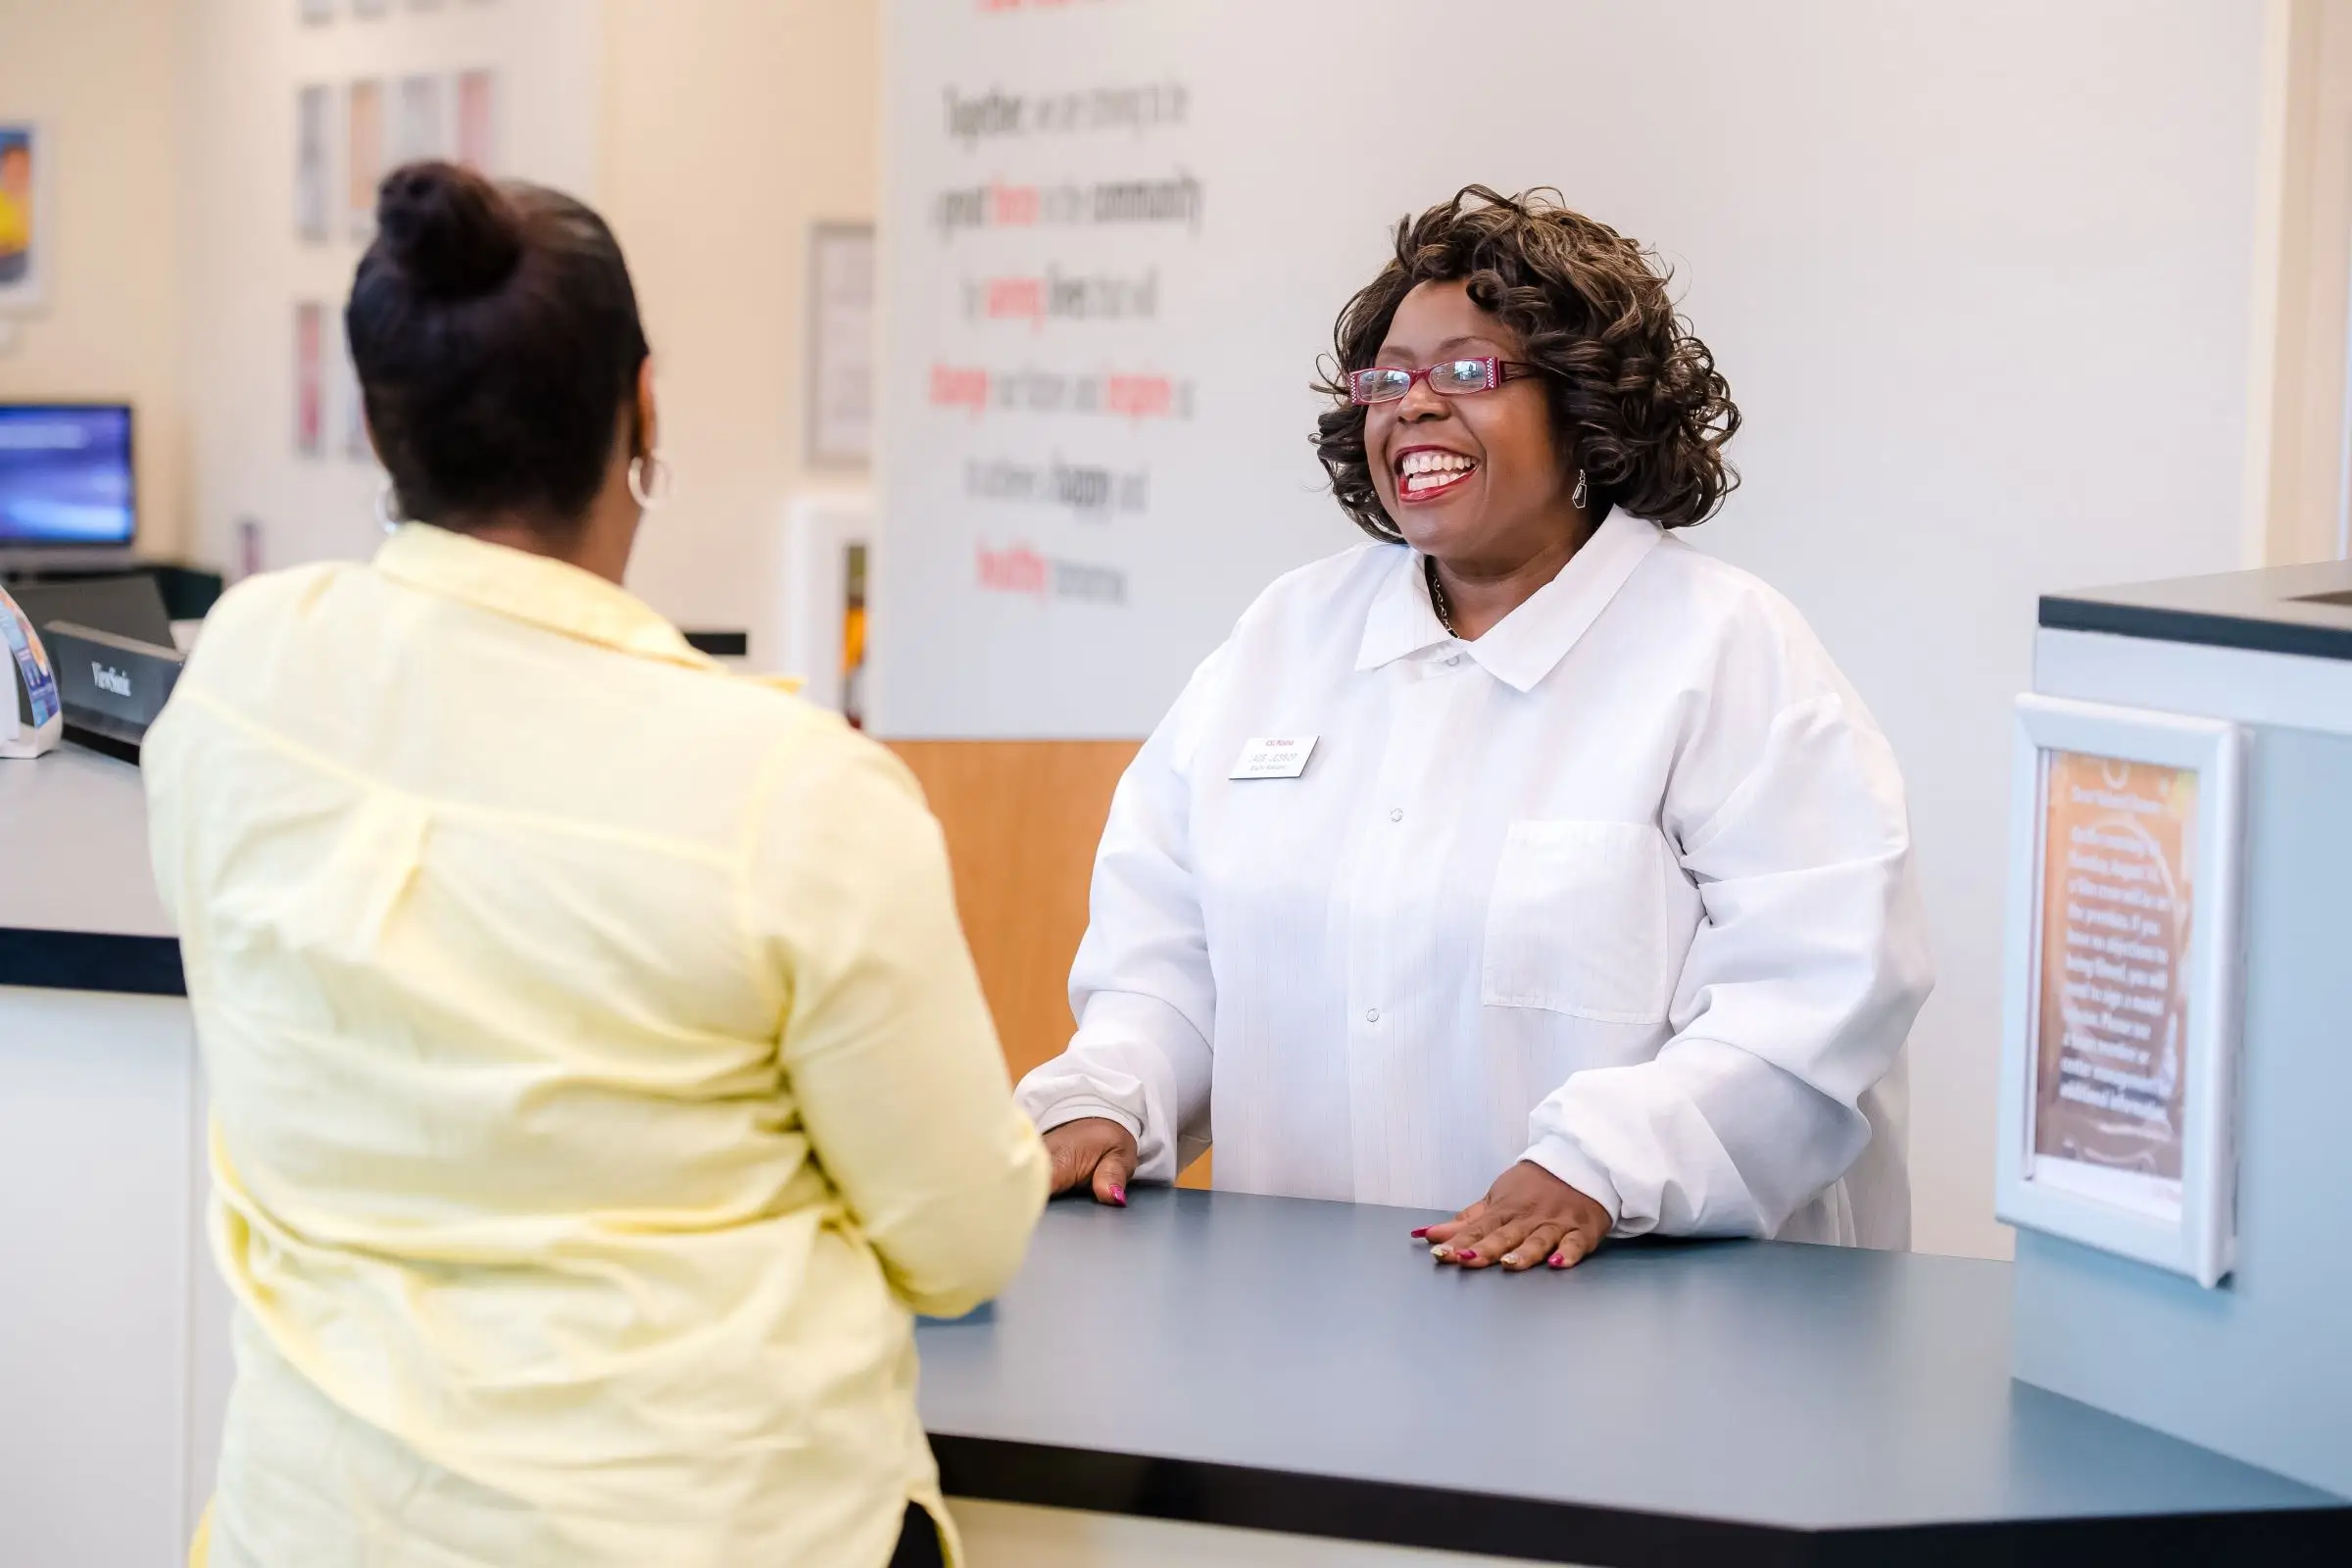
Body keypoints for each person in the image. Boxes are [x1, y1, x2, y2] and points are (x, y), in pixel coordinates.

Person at [146, 163, 1047, 1568]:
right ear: (644, 407)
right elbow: (962, 1245)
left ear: (381, 425)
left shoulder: (244, 677)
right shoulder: (793, 792)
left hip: (314, 1529)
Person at [1017, 186, 1934, 1272]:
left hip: (1644, 1328)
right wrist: (1109, 1098)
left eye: (1466, 372)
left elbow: (1826, 986)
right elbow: (1171, 968)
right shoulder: (1283, 639)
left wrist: (1603, 1165)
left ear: (1586, 404)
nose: (1412, 405)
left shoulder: (1724, 653)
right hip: (1305, 1322)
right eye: (1389, 378)